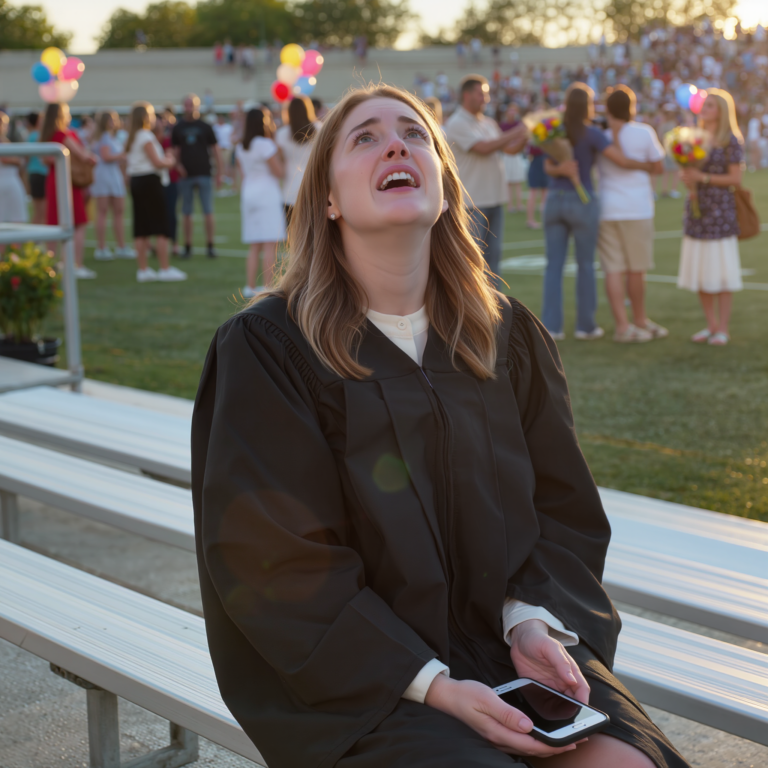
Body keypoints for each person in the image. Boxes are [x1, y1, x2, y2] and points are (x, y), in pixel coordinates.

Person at [192, 83, 690, 768]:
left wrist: (532, 623)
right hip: (366, 683)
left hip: (512, 653)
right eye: (364, 137)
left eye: (414, 133)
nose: (396, 142)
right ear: (327, 200)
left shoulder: (505, 337)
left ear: (447, 187)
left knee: (629, 763)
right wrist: (435, 686)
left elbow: (563, 511)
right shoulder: (270, 349)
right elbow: (275, 559)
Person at [542, 83, 657, 341]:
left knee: (553, 266)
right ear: (587, 106)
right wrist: (648, 166)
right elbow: (620, 160)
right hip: (582, 202)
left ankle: (552, 326)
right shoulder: (592, 133)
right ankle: (585, 326)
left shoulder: (554, 131)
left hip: (554, 201)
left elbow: (548, 166)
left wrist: (561, 170)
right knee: (585, 264)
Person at [596, 86, 667, 343]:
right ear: (632, 107)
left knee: (613, 269)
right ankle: (639, 319)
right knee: (636, 269)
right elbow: (658, 167)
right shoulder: (644, 132)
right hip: (637, 207)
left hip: (607, 207)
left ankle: (623, 326)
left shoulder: (600, 134)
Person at [444, 75, 528, 287]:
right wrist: (517, 130)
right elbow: (483, 148)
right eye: (482, 93)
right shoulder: (457, 123)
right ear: (467, 95)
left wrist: (527, 136)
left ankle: (495, 314)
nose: (486, 98)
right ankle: (473, 312)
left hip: (494, 199)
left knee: (493, 262)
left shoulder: (488, 122)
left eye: (487, 93)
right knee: (472, 263)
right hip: (473, 203)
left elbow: (508, 149)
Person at [677, 89, 744, 346]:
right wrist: (689, 180)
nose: (705, 109)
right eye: (704, 104)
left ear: (722, 111)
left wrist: (703, 178)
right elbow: (689, 172)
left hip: (721, 214)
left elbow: (735, 179)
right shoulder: (695, 138)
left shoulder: (731, 141)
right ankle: (711, 325)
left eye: (711, 105)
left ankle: (723, 328)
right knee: (701, 273)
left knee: (722, 273)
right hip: (698, 211)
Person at [125, 102, 187, 283]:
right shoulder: (145, 136)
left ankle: (143, 269)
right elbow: (157, 162)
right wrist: (170, 160)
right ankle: (164, 268)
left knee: (141, 227)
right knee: (161, 226)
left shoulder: (134, 136)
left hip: (138, 181)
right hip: (149, 182)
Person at [40, 103, 98, 279]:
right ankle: (75, 265)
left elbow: (45, 160)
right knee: (78, 222)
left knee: (55, 222)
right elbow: (84, 155)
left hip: (55, 180)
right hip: (67, 182)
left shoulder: (48, 134)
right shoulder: (63, 134)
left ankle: (50, 264)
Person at [236, 108, 284, 298]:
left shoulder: (241, 145)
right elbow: (279, 172)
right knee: (269, 244)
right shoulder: (265, 144)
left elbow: (242, 172)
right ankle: (267, 286)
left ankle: (249, 286)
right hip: (266, 193)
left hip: (249, 192)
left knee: (254, 245)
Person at [172, 94, 222, 259]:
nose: (189, 108)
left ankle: (210, 245)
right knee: (187, 212)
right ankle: (187, 246)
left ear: (197, 107)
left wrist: (219, 172)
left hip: (204, 173)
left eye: (192, 105)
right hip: (186, 175)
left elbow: (215, 150)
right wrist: (178, 166)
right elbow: (175, 152)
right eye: (187, 105)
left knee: (208, 211)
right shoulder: (178, 127)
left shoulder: (206, 126)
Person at [90, 111, 134, 261]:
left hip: (114, 176)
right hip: (104, 176)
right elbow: (106, 156)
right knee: (102, 211)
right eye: (111, 119)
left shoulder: (111, 137)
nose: (114, 122)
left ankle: (121, 246)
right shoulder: (103, 138)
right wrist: (122, 156)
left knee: (119, 211)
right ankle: (101, 248)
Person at [274, 95, 318, 224]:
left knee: (292, 239)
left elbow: (280, 160)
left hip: (290, 189)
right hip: (314, 188)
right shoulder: (320, 129)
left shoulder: (282, 134)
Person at [156, 110, 181, 257]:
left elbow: (171, 159)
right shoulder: (150, 139)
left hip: (170, 179)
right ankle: (155, 244)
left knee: (171, 212)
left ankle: (174, 243)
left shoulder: (167, 139)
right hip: (155, 180)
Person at [0, 113, 28, 225]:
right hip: (7, 182)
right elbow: (7, 159)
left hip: (11, 181)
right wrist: (19, 160)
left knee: (15, 221)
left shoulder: (6, 141)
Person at [498, 103, 526, 213]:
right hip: (506, 155)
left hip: (516, 155)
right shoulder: (503, 125)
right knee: (508, 181)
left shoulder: (519, 124)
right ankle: (510, 205)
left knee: (517, 181)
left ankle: (519, 204)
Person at [25, 112, 48, 225]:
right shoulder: (37, 136)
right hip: (40, 175)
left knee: (39, 212)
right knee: (42, 212)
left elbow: (27, 158)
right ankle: (36, 241)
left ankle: (35, 241)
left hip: (35, 174)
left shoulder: (30, 136)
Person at [525, 143, 548, 229]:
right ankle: (530, 220)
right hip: (538, 163)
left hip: (539, 163)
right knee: (535, 193)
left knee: (543, 194)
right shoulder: (537, 136)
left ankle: (543, 219)